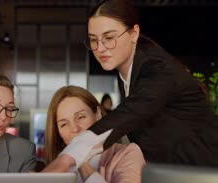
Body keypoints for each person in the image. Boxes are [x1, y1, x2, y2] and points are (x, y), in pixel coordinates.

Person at [44, 0, 218, 173]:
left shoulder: (158, 69)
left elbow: (129, 114)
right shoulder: (127, 70)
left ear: (134, 33)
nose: (100, 48)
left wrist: (67, 158)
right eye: (93, 40)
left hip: (206, 177)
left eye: (109, 38)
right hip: (175, 179)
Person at [45, 85, 145, 183]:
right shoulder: (61, 167)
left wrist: (83, 165)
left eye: (80, 117)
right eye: (64, 124)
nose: (74, 129)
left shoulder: (128, 153)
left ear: (98, 115)